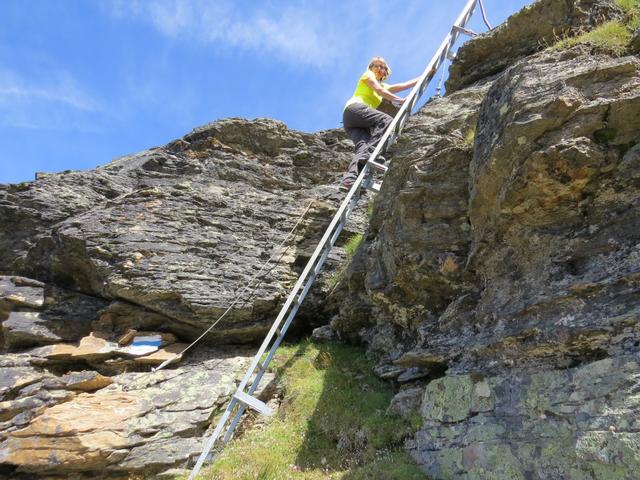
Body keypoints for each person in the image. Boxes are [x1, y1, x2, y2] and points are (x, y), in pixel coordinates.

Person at [341, 56, 419, 190]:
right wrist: (400, 101)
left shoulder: (383, 85)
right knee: (386, 120)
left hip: (351, 121)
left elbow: (402, 85)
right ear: (371, 67)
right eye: (378, 65)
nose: (381, 69)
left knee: (362, 147)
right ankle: (372, 154)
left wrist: (426, 74)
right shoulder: (368, 75)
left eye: (384, 67)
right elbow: (379, 91)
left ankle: (350, 179)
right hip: (354, 109)